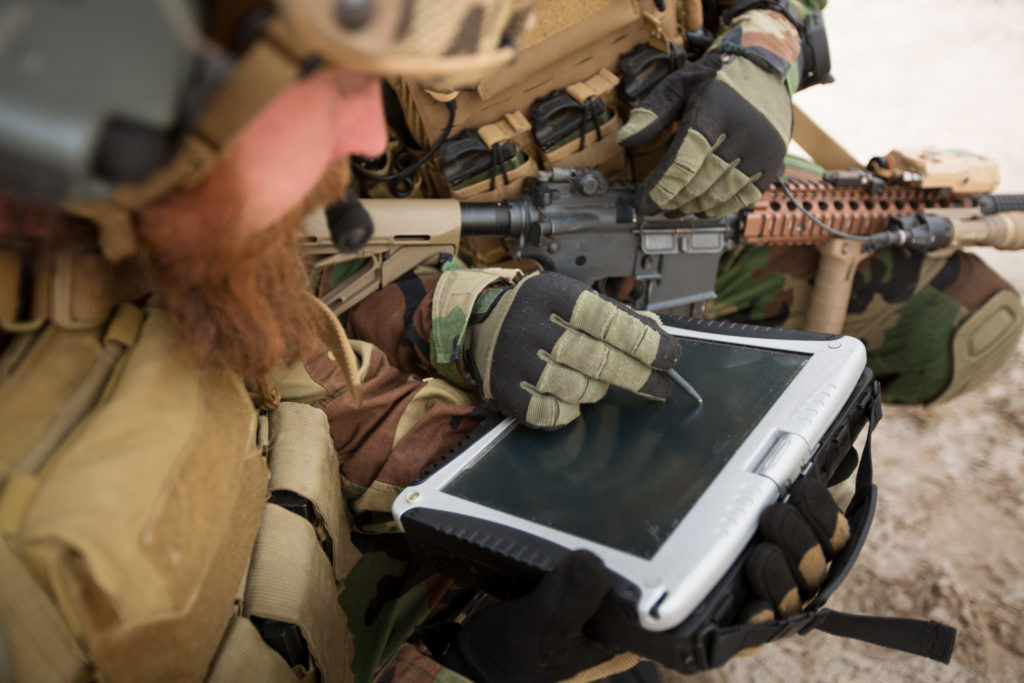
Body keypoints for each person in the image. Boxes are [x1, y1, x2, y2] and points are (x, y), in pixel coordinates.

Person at [0, 1, 852, 681]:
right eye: (328, 88)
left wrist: (768, 38)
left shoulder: (126, 264)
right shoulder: (28, 581)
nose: (364, 137)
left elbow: (300, 368)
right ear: (140, 96)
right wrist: (469, 665)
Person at [365, 0, 1022, 406]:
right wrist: (453, 318)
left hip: (703, 193)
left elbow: (782, 10)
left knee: (966, 328)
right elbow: (285, 272)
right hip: (444, 289)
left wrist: (765, 49)